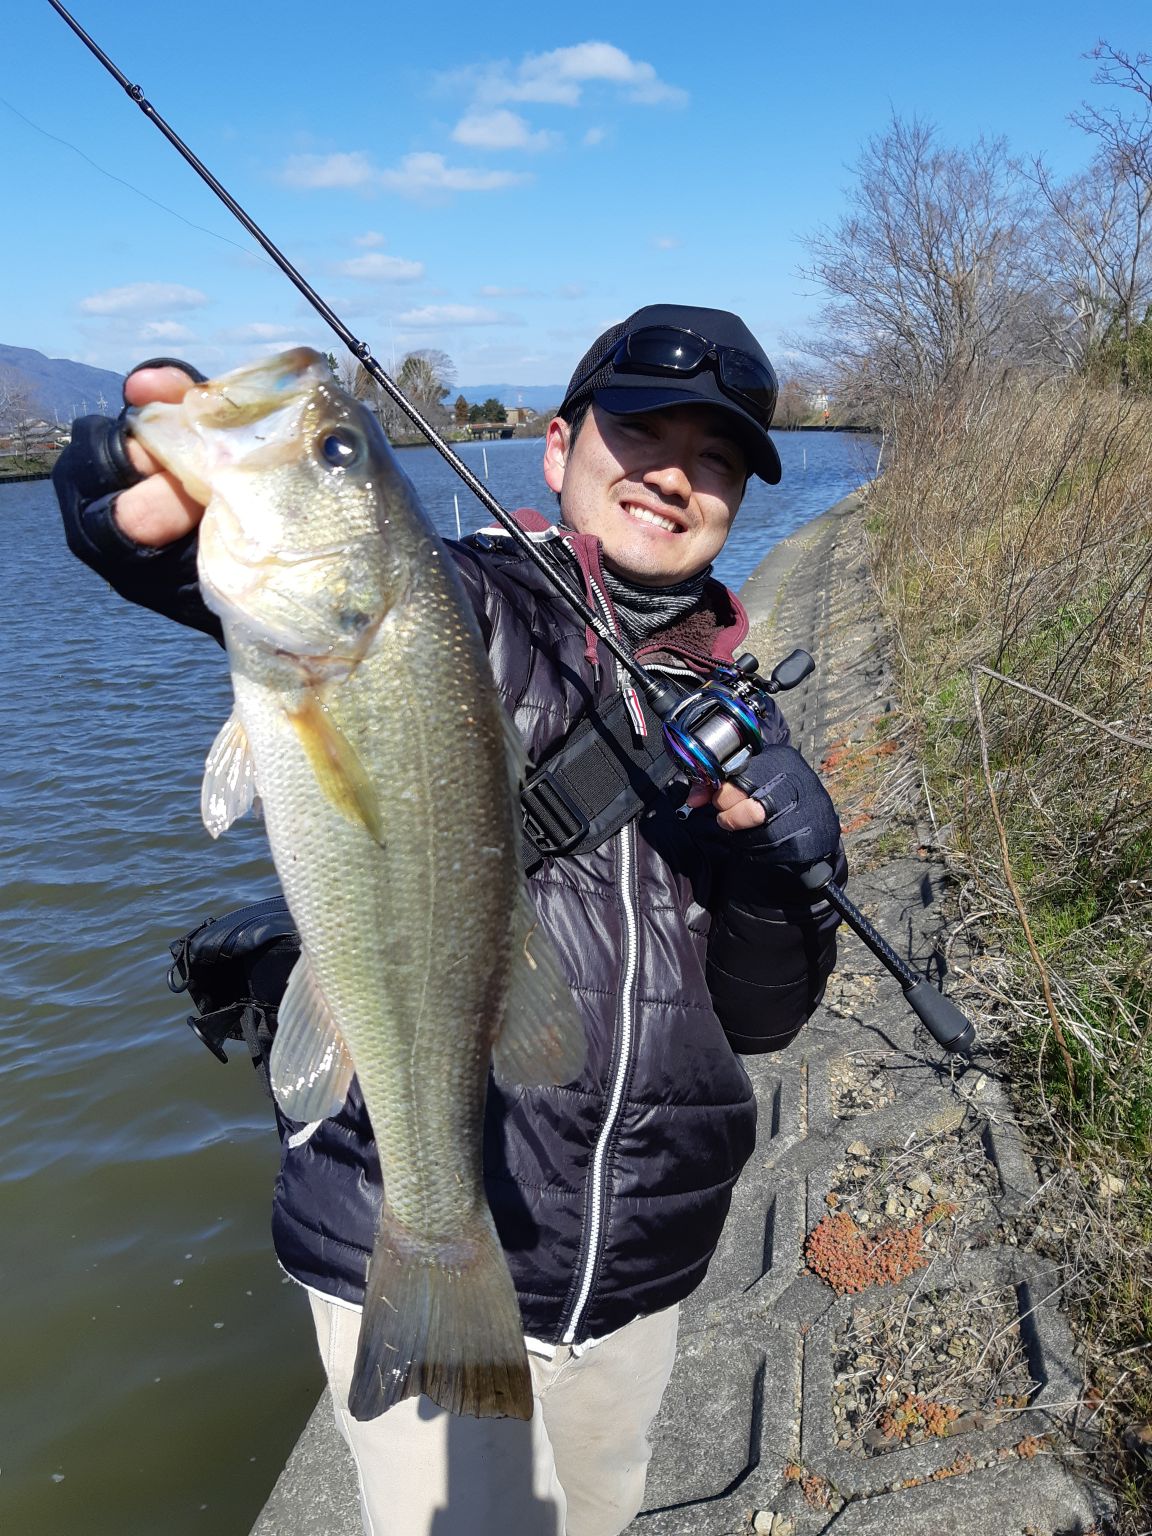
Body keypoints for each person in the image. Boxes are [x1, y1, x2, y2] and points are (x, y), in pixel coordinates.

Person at [54, 302, 846, 1536]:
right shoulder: (463, 602)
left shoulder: (741, 722)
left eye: (722, 459)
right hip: (407, 1231)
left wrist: (783, 875)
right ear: (557, 446)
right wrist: (138, 529)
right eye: (643, 432)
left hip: (635, 1276)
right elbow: (247, 578)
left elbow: (761, 1017)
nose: (678, 476)